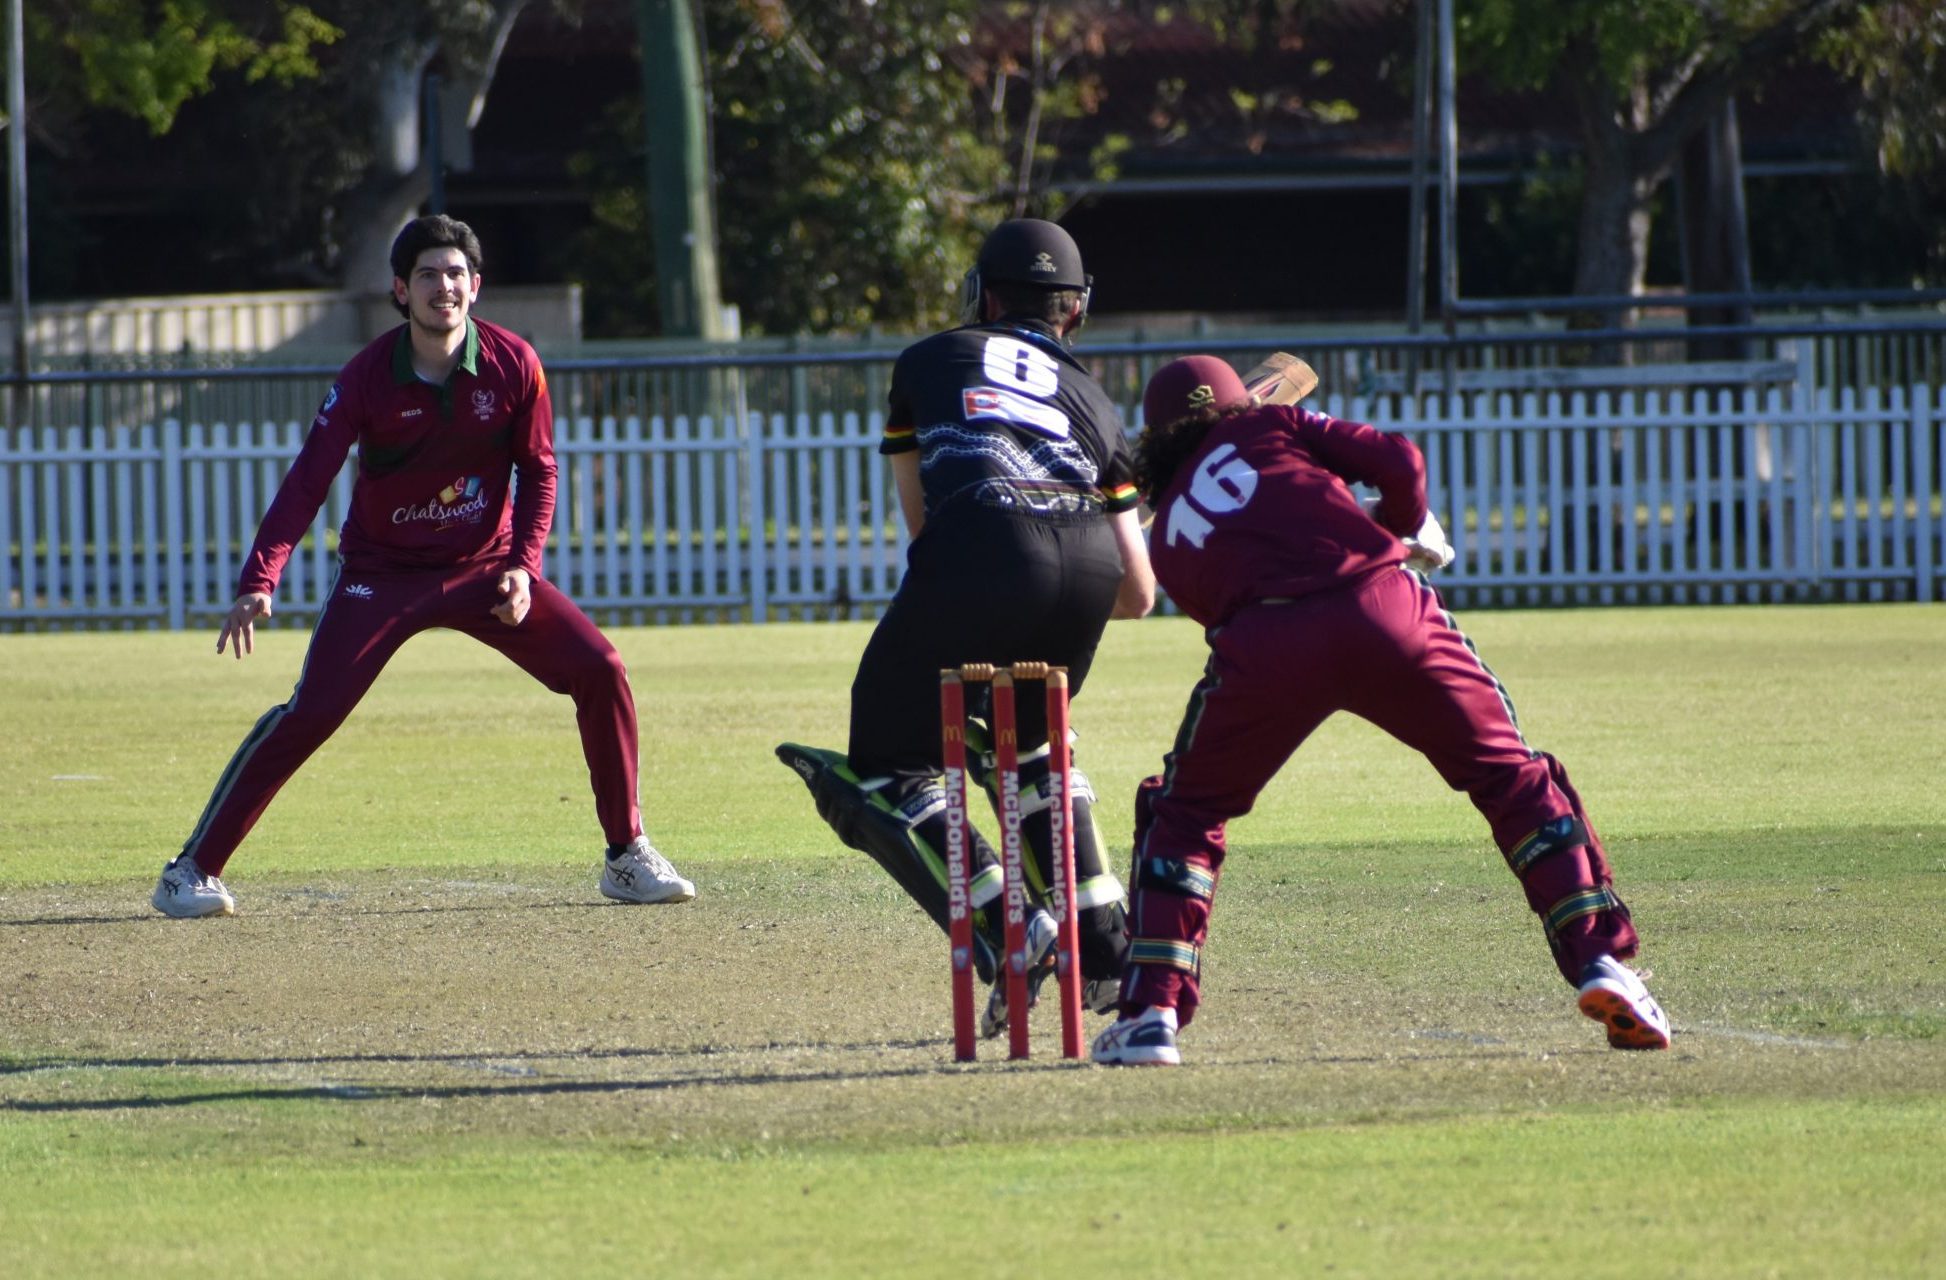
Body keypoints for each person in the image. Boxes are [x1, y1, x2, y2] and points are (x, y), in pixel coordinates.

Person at [1090, 355, 1669, 1066]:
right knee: (1512, 778)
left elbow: (1230, 594)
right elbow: (1399, 460)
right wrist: (1398, 527)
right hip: (1384, 607)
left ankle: (1152, 1014)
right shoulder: (1273, 423)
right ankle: (1602, 962)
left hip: (1264, 644)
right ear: (1239, 402)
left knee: (1184, 814)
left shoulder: (1167, 532)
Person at [152, 214, 695, 918]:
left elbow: (540, 470)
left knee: (602, 668)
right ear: (401, 291)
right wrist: (261, 580)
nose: (445, 286)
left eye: (457, 273)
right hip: (383, 574)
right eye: (429, 274)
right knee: (312, 711)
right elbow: (307, 481)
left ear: (476, 286)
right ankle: (190, 870)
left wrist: (524, 568)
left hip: (486, 570)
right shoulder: (366, 376)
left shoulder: (515, 364)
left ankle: (626, 854)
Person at [778, 218, 1155, 1036]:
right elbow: (1139, 595)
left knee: (887, 762)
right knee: (1034, 746)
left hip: (983, 546)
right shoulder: (1095, 400)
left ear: (982, 296)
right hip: (1088, 567)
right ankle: (1107, 952)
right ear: (1076, 309)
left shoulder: (926, 360)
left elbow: (927, 531)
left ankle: (1010, 925)